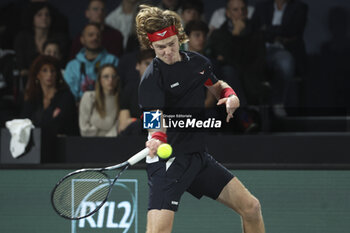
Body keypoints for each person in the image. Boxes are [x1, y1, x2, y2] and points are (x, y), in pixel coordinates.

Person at [135, 5, 265, 233]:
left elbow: (217, 87)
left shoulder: (197, 63)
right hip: (168, 162)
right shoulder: (152, 77)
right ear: (151, 46)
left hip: (197, 158)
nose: (167, 52)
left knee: (251, 207)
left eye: (171, 44)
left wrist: (230, 96)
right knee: (158, 231)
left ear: (179, 37)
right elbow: (155, 116)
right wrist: (156, 137)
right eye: (160, 48)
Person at [251, 0, 308, 115]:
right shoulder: (262, 6)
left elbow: (292, 30)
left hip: (284, 49)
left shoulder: (299, 7)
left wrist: (267, 29)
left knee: (285, 64)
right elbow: (254, 29)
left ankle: (278, 102)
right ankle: (253, 105)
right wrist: (277, 33)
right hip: (261, 49)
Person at [205, 0, 267, 105]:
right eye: (235, 9)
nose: (240, 12)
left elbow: (259, 59)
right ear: (228, 13)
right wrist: (235, 34)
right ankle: (244, 115)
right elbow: (226, 59)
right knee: (229, 71)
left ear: (247, 11)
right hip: (228, 76)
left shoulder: (257, 33)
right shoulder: (218, 34)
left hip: (251, 75)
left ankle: (245, 114)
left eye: (243, 9)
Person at [20, 55, 78, 162]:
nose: (49, 75)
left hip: (63, 148)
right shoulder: (32, 97)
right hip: (34, 148)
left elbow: (62, 124)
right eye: (45, 71)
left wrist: (38, 124)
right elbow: (24, 122)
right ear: (37, 75)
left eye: (53, 71)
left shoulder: (65, 96)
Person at [64, 23, 119, 101]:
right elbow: (69, 93)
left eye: (98, 35)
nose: (95, 38)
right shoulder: (72, 66)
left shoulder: (112, 60)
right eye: (91, 35)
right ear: (82, 39)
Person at [14, 2, 69, 78]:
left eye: (47, 15)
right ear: (32, 18)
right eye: (39, 15)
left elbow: (62, 64)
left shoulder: (60, 38)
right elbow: (22, 69)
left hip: (54, 78)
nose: (44, 18)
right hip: (28, 80)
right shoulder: (23, 38)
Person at [118, 49, 154, 134]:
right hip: (133, 138)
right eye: (147, 64)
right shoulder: (130, 89)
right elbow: (123, 126)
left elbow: (158, 125)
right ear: (138, 66)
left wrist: (134, 120)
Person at [79, 64, 120, 137]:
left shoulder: (120, 100)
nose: (110, 80)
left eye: (113, 76)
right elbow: (84, 130)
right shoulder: (89, 97)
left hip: (112, 142)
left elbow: (116, 129)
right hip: (89, 142)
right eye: (106, 76)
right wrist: (104, 134)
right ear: (100, 80)